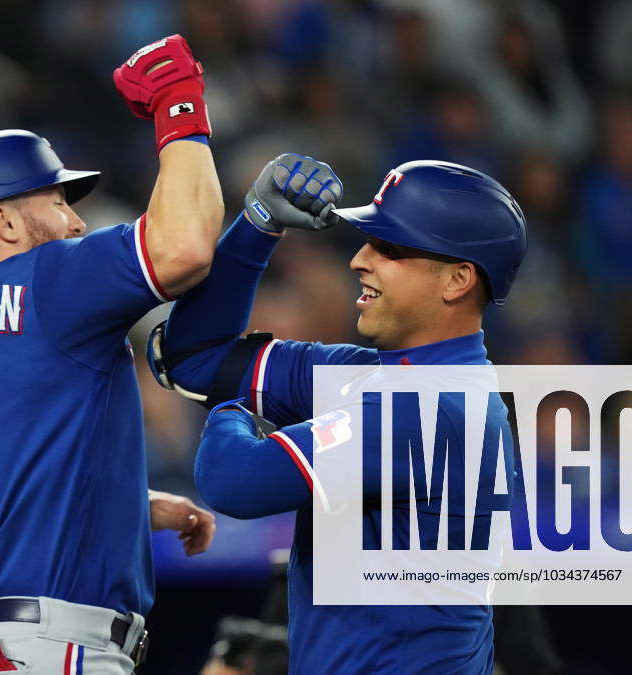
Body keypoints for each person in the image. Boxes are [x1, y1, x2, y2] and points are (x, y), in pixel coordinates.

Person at [0, 35, 222, 674]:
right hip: (57, 650)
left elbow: (12, 481)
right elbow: (186, 245)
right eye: (56, 200)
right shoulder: (47, 281)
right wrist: (180, 104)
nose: (76, 222)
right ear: (4, 222)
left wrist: (129, 507)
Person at [148, 154, 527, 673]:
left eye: (389, 248)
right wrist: (258, 224)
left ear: (457, 280)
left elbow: (232, 480)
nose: (359, 259)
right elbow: (195, 359)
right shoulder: (372, 376)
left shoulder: (437, 406)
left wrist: (236, 410)